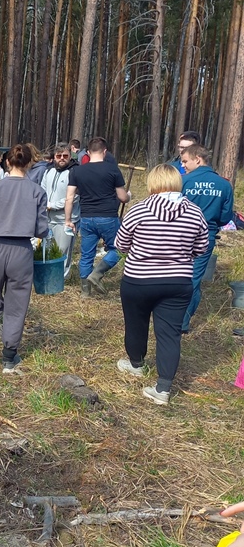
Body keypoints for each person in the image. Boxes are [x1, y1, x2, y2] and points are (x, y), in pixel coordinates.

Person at [114, 164, 208, 406]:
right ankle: (163, 388)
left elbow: (121, 243)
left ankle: (136, 364)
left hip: (139, 279)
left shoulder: (139, 210)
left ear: (152, 183)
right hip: (178, 281)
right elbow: (201, 249)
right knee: (169, 334)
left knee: (136, 324)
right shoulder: (195, 212)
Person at [0, 143, 49, 373]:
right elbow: (41, 229)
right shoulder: (37, 192)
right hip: (21, 251)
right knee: (16, 304)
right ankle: (8, 358)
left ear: (7, 162)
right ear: (29, 163)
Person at [64, 136, 130, 297]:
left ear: (87, 152)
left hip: (86, 217)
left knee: (87, 254)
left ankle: (85, 291)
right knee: (120, 248)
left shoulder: (77, 171)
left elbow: (69, 198)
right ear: (105, 151)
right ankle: (97, 274)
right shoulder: (112, 169)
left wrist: (68, 220)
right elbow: (122, 197)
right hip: (108, 216)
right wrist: (129, 195)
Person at [180, 144, 234, 334]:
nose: (183, 165)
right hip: (207, 236)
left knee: (177, 273)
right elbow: (227, 217)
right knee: (194, 278)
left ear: (198, 159)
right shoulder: (224, 184)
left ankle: (170, 314)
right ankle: (183, 322)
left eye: (185, 161)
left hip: (181, 234)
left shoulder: (183, 181)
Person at [41, 142, 79, 278]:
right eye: (59, 156)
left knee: (63, 249)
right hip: (48, 218)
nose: (62, 158)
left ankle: (62, 278)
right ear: (54, 157)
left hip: (66, 220)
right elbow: (42, 190)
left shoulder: (75, 172)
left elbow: (74, 197)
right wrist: (45, 205)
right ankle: (50, 275)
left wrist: (53, 205)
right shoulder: (48, 171)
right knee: (49, 249)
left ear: (70, 156)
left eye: (65, 155)